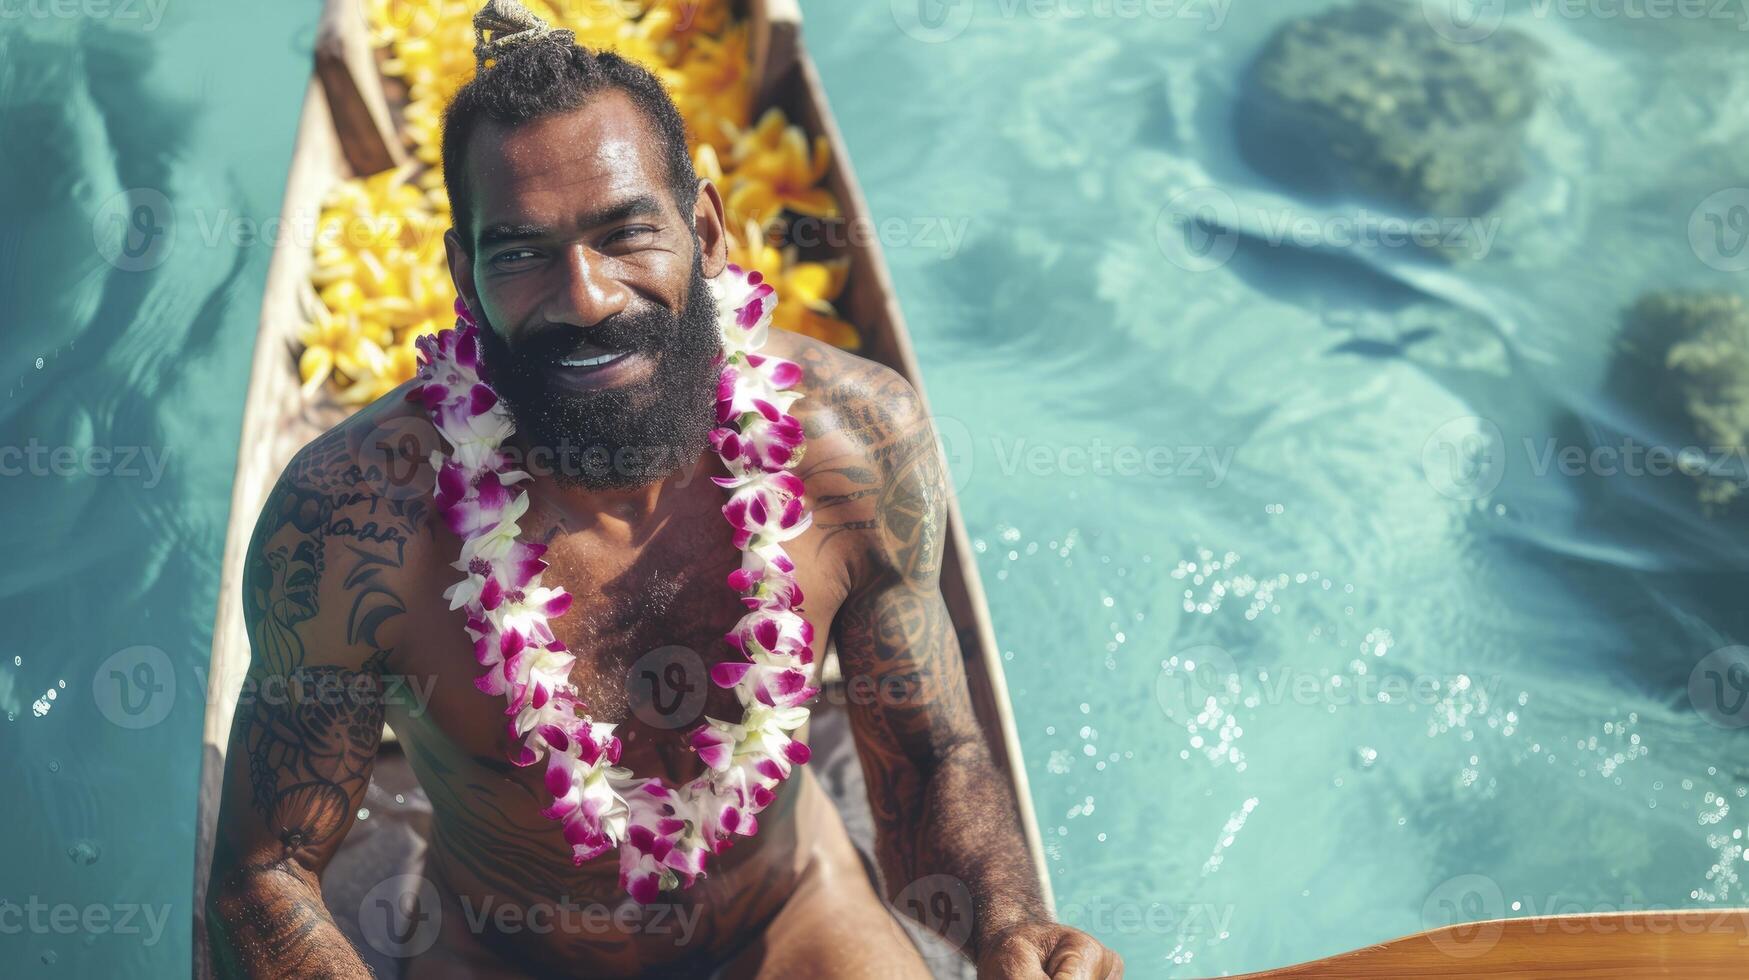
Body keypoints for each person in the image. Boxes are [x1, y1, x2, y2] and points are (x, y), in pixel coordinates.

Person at [205, 3, 1122, 977]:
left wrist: (1011, 922)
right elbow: (267, 868)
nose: (589, 295)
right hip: (510, 955)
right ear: (464, 277)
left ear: (708, 228)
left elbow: (934, 756)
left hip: (792, 913)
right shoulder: (357, 518)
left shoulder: (853, 444)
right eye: (521, 252)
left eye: (625, 233)